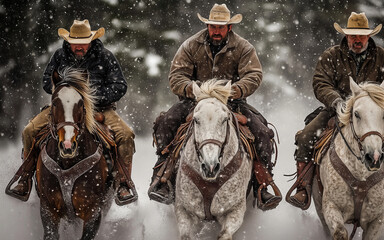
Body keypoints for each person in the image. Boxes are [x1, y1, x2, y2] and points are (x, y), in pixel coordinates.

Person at [289, 12, 384, 214]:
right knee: (307, 136)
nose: (357, 40)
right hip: (336, 110)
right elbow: (320, 82)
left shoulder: (383, 57)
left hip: (373, 113)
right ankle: (304, 187)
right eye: (353, 36)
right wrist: (336, 101)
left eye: (361, 36)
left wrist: (380, 103)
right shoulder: (331, 55)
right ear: (346, 36)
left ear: (369, 36)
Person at [148, 3, 281, 210]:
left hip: (234, 102)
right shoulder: (191, 45)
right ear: (208, 25)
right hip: (193, 101)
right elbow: (176, 77)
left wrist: (233, 91)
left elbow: (254, 75)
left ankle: (262, 183)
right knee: (167, 122)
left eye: (220, 27)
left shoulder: (244, 47)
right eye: (212, 26)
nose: (216, 31)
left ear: (229, 27)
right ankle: (162, 173)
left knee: (262, 132)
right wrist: (195, 90)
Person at [9, 19, 137, 204]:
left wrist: (91, 97)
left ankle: (123, 184)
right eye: (75, 43)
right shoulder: (59, 56)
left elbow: (120, 86)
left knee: (125, 135)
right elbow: (47, 81)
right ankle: (25, 178)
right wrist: (65, 91)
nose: (79, 47)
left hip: (100, 108)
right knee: (30, 131)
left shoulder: (106, 56)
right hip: (63, 107)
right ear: (69, 41)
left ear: (91, 41)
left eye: (83, 43)